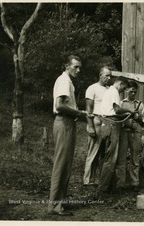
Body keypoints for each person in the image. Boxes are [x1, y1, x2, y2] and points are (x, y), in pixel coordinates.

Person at [48, 55, 87, 216]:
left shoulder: (68, 81)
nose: (78, 70)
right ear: (66, 66)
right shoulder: (63, 80)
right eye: (75, 67)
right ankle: (54, 205)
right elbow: (60, 105)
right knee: (61, 164)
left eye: (79, 67)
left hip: (68, 122)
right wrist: (78, 112)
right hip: (63, 122)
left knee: (66, 164)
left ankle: (58, 202)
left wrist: (80, 114)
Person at [97, 76, 133, 198]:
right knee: (111, 157)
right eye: (124, 88)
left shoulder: (108, 92)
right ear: (120, 83)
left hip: (105, 124)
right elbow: (117, 110)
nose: (123, 91)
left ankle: (106, 185)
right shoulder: (114, 92)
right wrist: (130, 112)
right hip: (111, 124)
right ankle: (103, 189)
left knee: (105, 156)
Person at [82, 66, 112, 186]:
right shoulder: (92, 88)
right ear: (100, 75)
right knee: (93, 150)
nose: (108, 78)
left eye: (110, 76)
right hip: (96, 120)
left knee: (103, 152)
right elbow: (88, 108)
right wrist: (90, 126)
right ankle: (87, 179)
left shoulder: (109, 90)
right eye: (106, 76)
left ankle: (98, 179)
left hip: (107, 121)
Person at [116, 81, 144, 192]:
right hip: (124, 131)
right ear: (127, 90)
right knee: (122, 158)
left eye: (135, 91)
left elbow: (143, 121)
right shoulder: (121, 103)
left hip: (136, 132)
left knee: (135, 158)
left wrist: (138, 117)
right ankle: (120, 184)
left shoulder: (140, 104)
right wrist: (128, 114)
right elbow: (118, 116)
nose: (133, 93)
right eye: (131, 91)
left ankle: (134, 183)